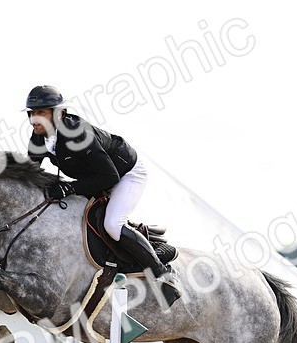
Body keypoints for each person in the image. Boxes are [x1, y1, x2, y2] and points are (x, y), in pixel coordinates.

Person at [23, 85, 181, 306]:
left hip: (126, 174)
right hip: (95, 175)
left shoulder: (77, 134)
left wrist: (70, 188)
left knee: (113, 224)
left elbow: (110, 177)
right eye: (32, 113)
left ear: (58, 113)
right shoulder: (39, 136)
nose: (34, 119)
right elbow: (30, 171)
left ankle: (163, 275)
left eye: (41, 112)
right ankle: (144, 242)